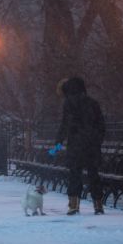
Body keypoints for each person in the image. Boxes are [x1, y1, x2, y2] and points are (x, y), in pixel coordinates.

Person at [53, 77, 105, 215]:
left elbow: (64, 126)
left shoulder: (68, 104)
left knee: (75, 175)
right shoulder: (93, 103)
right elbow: (101, 125)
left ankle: (74, 206)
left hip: (76, 146)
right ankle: (98, 206)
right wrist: (96, 140)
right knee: (94, 175)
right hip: (92, 146)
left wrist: (56, 146)